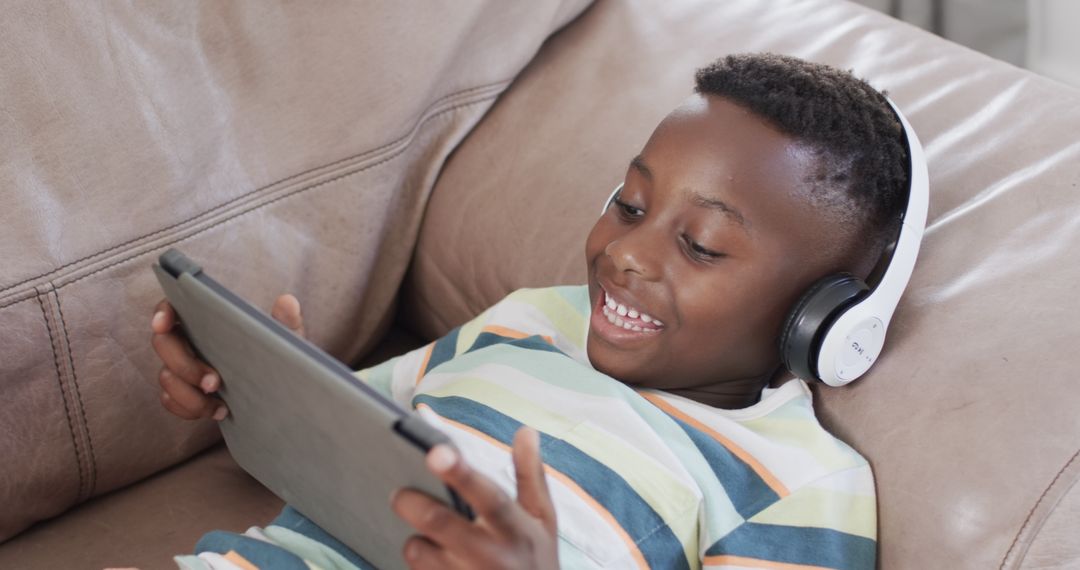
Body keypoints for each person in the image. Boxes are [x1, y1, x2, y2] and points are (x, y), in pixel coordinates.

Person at [153, 52, 908, 569]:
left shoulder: (803, 480)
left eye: (702, 245)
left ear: (823, 313)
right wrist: (254, 390)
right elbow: (350, 445)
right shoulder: (531, 319)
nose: (626, 254)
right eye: (630, 203)